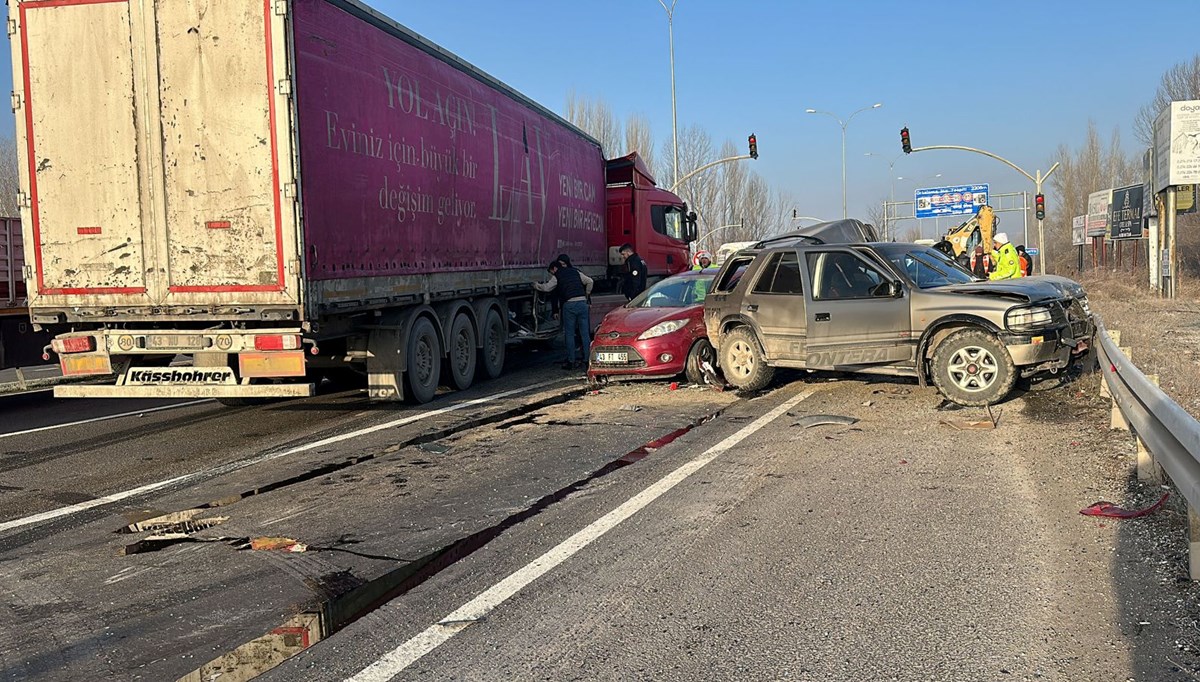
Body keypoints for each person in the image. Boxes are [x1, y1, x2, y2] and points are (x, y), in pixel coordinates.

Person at [533, 258, 593, 370]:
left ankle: (571, 361)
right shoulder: (576, 271)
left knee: (569, 334)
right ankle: (587, 360)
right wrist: (587, 294)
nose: (552, 274)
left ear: (554, 268)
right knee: (585, 333)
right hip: (582, 303)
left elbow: (547, 288)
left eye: (551, 272)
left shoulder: (557, 276)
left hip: (569, 305)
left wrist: (536, 285)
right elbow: (590, 281)